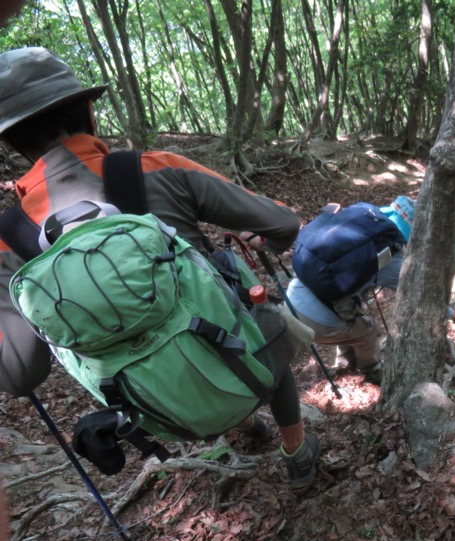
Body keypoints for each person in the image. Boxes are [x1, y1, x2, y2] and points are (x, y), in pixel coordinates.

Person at [0, 47, 320, 487]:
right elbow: (283, 222)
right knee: (260, 318)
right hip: (245, 361)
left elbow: (19, 374)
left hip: (158, 412)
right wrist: (271, 237)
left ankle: (245, 427)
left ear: (13, 145)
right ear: (90, 114)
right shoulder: (159, 168)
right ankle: (297, 450)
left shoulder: (10, 237)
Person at [286, 197, 416, 387]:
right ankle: (371, 372)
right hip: (317, 321)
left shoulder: (361, 223)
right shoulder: (391, 256)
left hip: (291, 297)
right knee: (368, 330)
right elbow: (419, 297)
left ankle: (344, 365)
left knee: (349, 317)